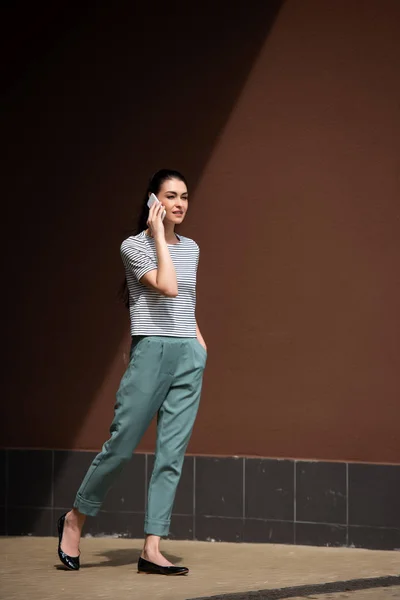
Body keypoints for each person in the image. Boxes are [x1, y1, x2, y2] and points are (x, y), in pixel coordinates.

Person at [57, 169, 207, 575]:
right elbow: (168, 286)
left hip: (187, 356)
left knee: (171, 454)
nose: (179, 204)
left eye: (185, 197)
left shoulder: (191, 248)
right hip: (152, 352)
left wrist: (198, 342)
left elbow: (187, 299)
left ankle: (152, 547)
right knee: (121, 444)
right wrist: (158, 236)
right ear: (152, 202)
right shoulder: (133, 246)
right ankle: (75, 519)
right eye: (171, 196)